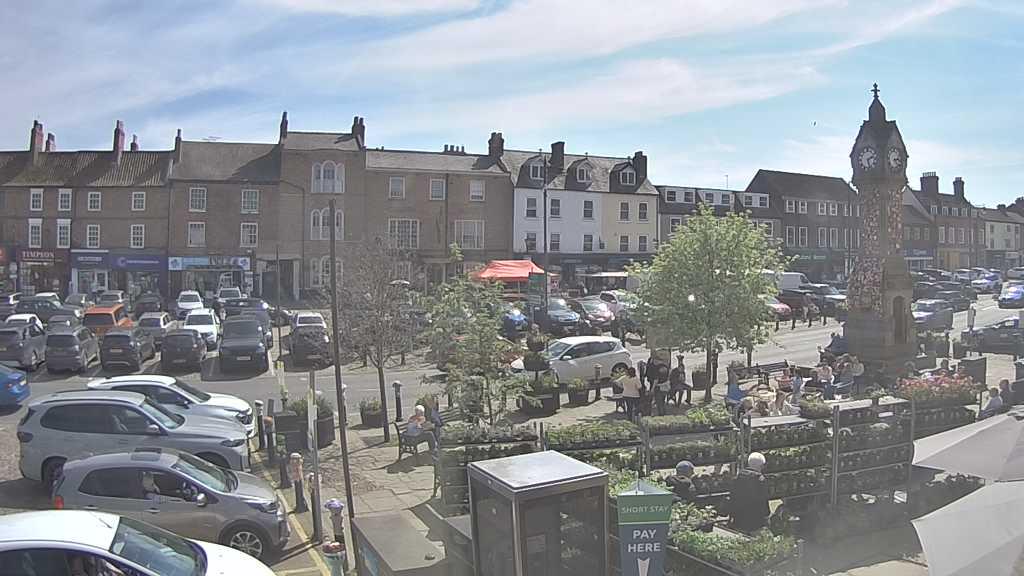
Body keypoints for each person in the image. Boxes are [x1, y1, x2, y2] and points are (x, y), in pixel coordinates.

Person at [730, 452, 770, 533]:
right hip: (755, 520)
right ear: (761, 466)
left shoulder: (738, 476)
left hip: (738, 518)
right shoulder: (760, 480)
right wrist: (766, 515)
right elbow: (763, 501)